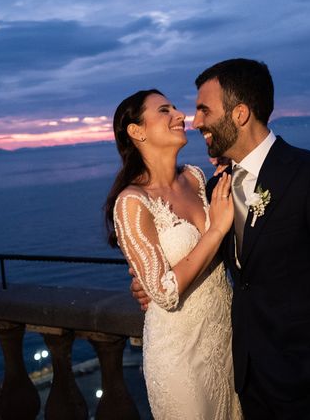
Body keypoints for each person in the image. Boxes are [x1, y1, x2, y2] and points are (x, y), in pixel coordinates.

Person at [133, 59, 310, 419]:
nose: (196, 121)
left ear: (241, 114)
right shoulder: (216, 188)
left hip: (308, 380)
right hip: (245, 377)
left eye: (204, 110)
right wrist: (150, 280)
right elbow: (206, 255)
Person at [104, 89, 243, 419]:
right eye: (164, 110)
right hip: (180, 354)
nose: (180, 115)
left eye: (175, 108)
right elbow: (164, 293)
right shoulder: (132, 202)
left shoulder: (195, 178)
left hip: (225, 338)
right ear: (137, 132)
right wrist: (216, 230)